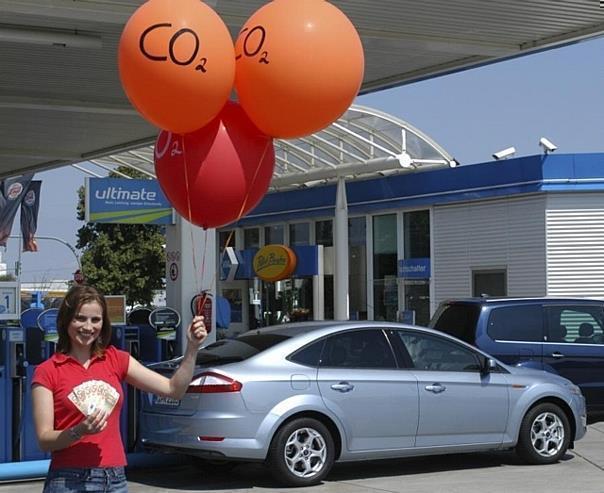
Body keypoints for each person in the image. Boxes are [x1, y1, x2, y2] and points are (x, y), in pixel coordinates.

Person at [32, 284, 207, 493]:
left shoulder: (116, 359)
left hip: (115, 479)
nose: (88, 327)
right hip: (69, 480)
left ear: (103, 323)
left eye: (95, 320)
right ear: (66, 320)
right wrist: (79, 431)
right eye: (80, 318)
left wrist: (192, 348)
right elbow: (44, 440)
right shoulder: (47, 371)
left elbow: (173, 389)